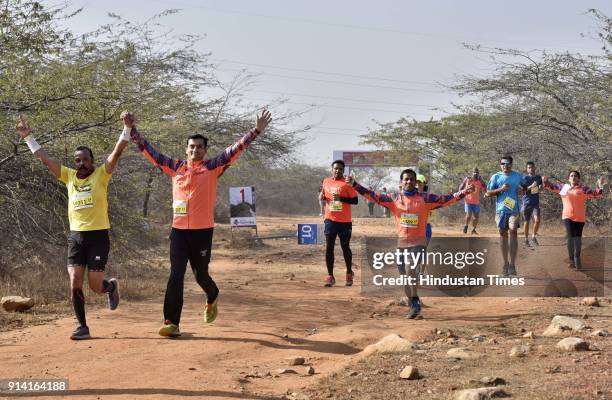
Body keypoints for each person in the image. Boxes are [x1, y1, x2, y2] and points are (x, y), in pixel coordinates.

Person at [128, 109, 272, 337]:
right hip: (178, 233)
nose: (195, 150)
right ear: (186, 149)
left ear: (205, 151)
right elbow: (151, 152)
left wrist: (255, 131)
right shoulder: (175, 167)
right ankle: (171, 323)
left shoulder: (213, 167)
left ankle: (212, 296)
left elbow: (235, 149)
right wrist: (131, 129)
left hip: (202, 233)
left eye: (199, 147)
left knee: (200, 275)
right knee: (175, 275)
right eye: (191, 146)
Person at [16, 114, 129, 340]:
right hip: (76, 237)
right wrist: (28, 137)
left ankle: (110, 287)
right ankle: (82, 327)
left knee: (95, 285)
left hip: (98, 237)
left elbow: (116, 153)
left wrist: (126, 129)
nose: (81, 163)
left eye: (85, 159)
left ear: (92, 160)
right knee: (75, 281)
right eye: (77, 160)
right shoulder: (68, 176)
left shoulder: (101, 175)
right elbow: (44, 159)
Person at [347, 170, 473, 318]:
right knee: (405, 276)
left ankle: (414, 302)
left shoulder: (425, 198)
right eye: (406, 179)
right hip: (401, 243)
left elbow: (447, 199)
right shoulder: (394, 198)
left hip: (418, 242)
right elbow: (373, 196)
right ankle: (413, 301)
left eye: (412, 179)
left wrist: (464, 192)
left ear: (416, 182)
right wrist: (355, 185)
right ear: (401, 182)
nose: (409, 182)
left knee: (410, 268)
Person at [543, 172, 605, 270]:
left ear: (578, 178)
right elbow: (551, 187)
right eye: (571, 176)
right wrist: (545, 181)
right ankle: (573, 260)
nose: (573, 177)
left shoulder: (583, 189)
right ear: (568, 178)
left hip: (580, 218)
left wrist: (600, 185)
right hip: (567, 216)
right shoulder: (563, 187)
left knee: (578, 239)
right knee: (571, 237)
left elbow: (596, 195)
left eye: (575, 176)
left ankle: (577, 258)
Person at [485, 155, 526, 276]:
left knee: (513, 230)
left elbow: (525, 187)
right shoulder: (496, 176)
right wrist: (501, 189)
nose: (505, 166)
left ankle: (512, 264)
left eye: (507, 163)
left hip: (514, 210)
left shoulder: (517, 176)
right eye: (503, 163)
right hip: (501, 211)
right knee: (503, 234)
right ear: (500, 165)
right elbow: (488, 192)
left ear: (511, 164)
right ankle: (505, 264)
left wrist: (523, 191)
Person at [320, 160, 358, 287]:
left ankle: (349, 273)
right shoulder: (326, 181)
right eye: (336, 168)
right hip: (330, 219)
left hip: (345, 222)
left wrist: (341, 199)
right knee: (329, 247)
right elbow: (324, 196)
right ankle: (330, 276)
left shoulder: (347, 183)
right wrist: (322, 197)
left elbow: (355, 200)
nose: (338, 171)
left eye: (340, 169)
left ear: (343, 171)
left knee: (345, 247)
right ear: (332, 169)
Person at [521, 161, 543, 247]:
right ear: (527, 169)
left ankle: (533, 236)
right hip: (526, 203)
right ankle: (526, 239)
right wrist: (531, 186)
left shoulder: (538, 178)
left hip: (535, 203)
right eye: (529, 167)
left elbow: (540, 190)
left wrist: (540, 187)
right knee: (526, 222)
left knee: (537, 220)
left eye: (532, 167)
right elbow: (523, 191)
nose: (531, 169)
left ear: (535, 168)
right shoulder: (524, 178)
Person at [459, 168, 487, 235]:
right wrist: (461, 193)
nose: (475, 173)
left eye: (477, 172)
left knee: (476, 217)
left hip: (476, 202)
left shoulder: (480, 181)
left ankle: (473, 229)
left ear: (478, 173)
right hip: (468, 200)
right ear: (472, 173)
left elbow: (485, 188)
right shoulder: (468, 179)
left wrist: (482, 181)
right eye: (474, 172)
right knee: (469, 215)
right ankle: (466, 225)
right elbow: (461, 187)